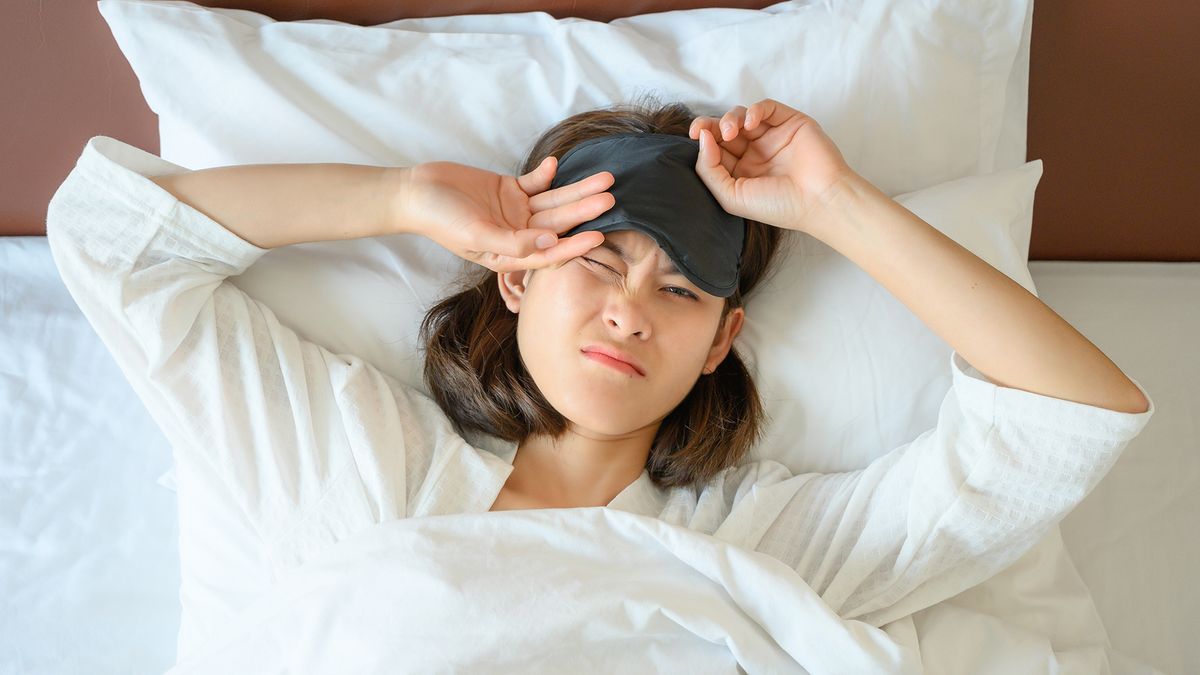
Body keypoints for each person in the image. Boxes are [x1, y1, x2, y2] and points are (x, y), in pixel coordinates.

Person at [46, 96, 1153, 628]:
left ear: (722, 343)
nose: (631, 312)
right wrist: (394, 197)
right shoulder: (349, 461)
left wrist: (837, 208)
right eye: (599, 262)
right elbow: (114, 241)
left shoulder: (768, 546)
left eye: (680, 290)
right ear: (518, 274)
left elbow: (1071, 411)